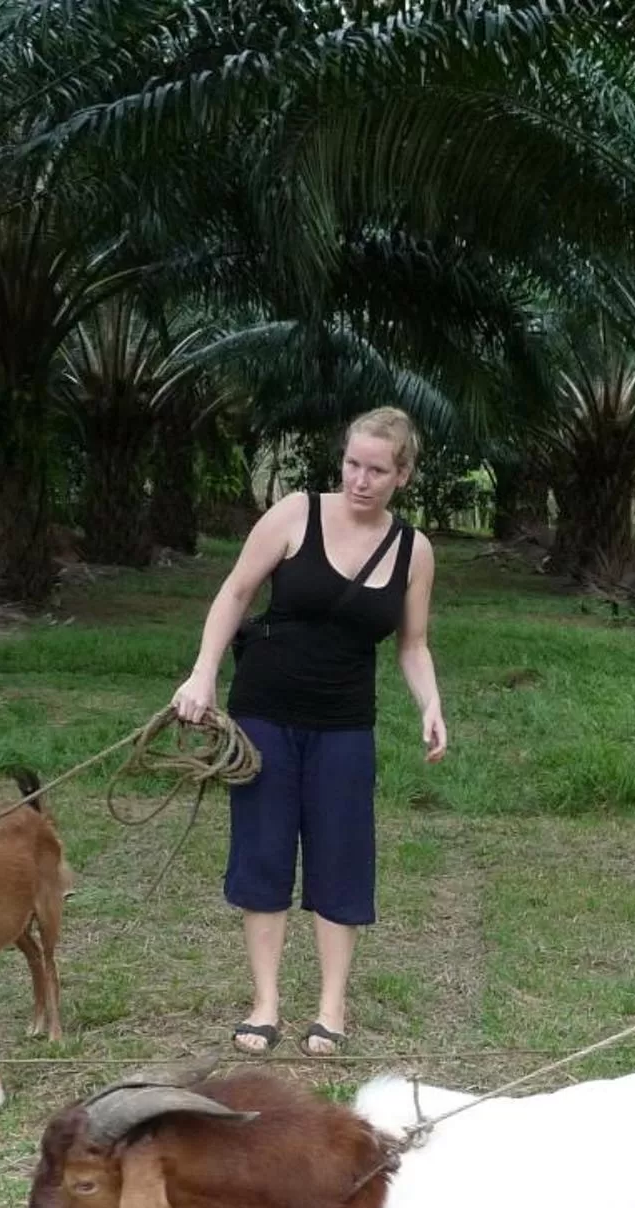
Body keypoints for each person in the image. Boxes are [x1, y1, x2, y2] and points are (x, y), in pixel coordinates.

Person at [171, 407, 446, 1057]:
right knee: (263, 852)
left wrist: (430, 704)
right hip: (266, 708)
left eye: (377, 470)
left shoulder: (415, 550)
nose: (359, 479)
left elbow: (413, 643)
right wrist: (202, 674)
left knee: (342, 857)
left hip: (345, 723)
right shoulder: (295, 513)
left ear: (402, 475)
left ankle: (331, 1007)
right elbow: (236, 592)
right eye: (352, 463)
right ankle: (265, 1001)